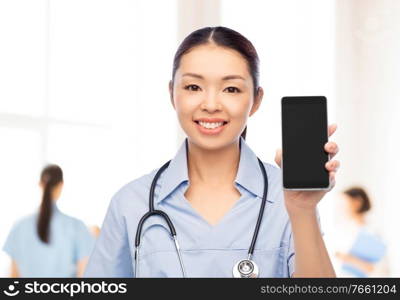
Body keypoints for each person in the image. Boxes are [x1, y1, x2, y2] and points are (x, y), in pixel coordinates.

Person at [84, 26, 340, 277]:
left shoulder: (287, 199)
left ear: (256, 100)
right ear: (172, 94)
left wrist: (303, 210)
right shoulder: (130, 204)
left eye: (231, 89)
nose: (210, 105)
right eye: (194, 87)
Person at [2, 164, 95, 277]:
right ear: (61, 185)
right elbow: (84, 276)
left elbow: (13, 277)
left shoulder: (19, 227)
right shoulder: (77, 227)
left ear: (40, 184)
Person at [335, 187, 386, 277]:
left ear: (357, 202)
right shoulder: (340, 230)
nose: (340, 208)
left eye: (344, 203)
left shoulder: (373, 232)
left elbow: (380, 269)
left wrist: (350, 259)